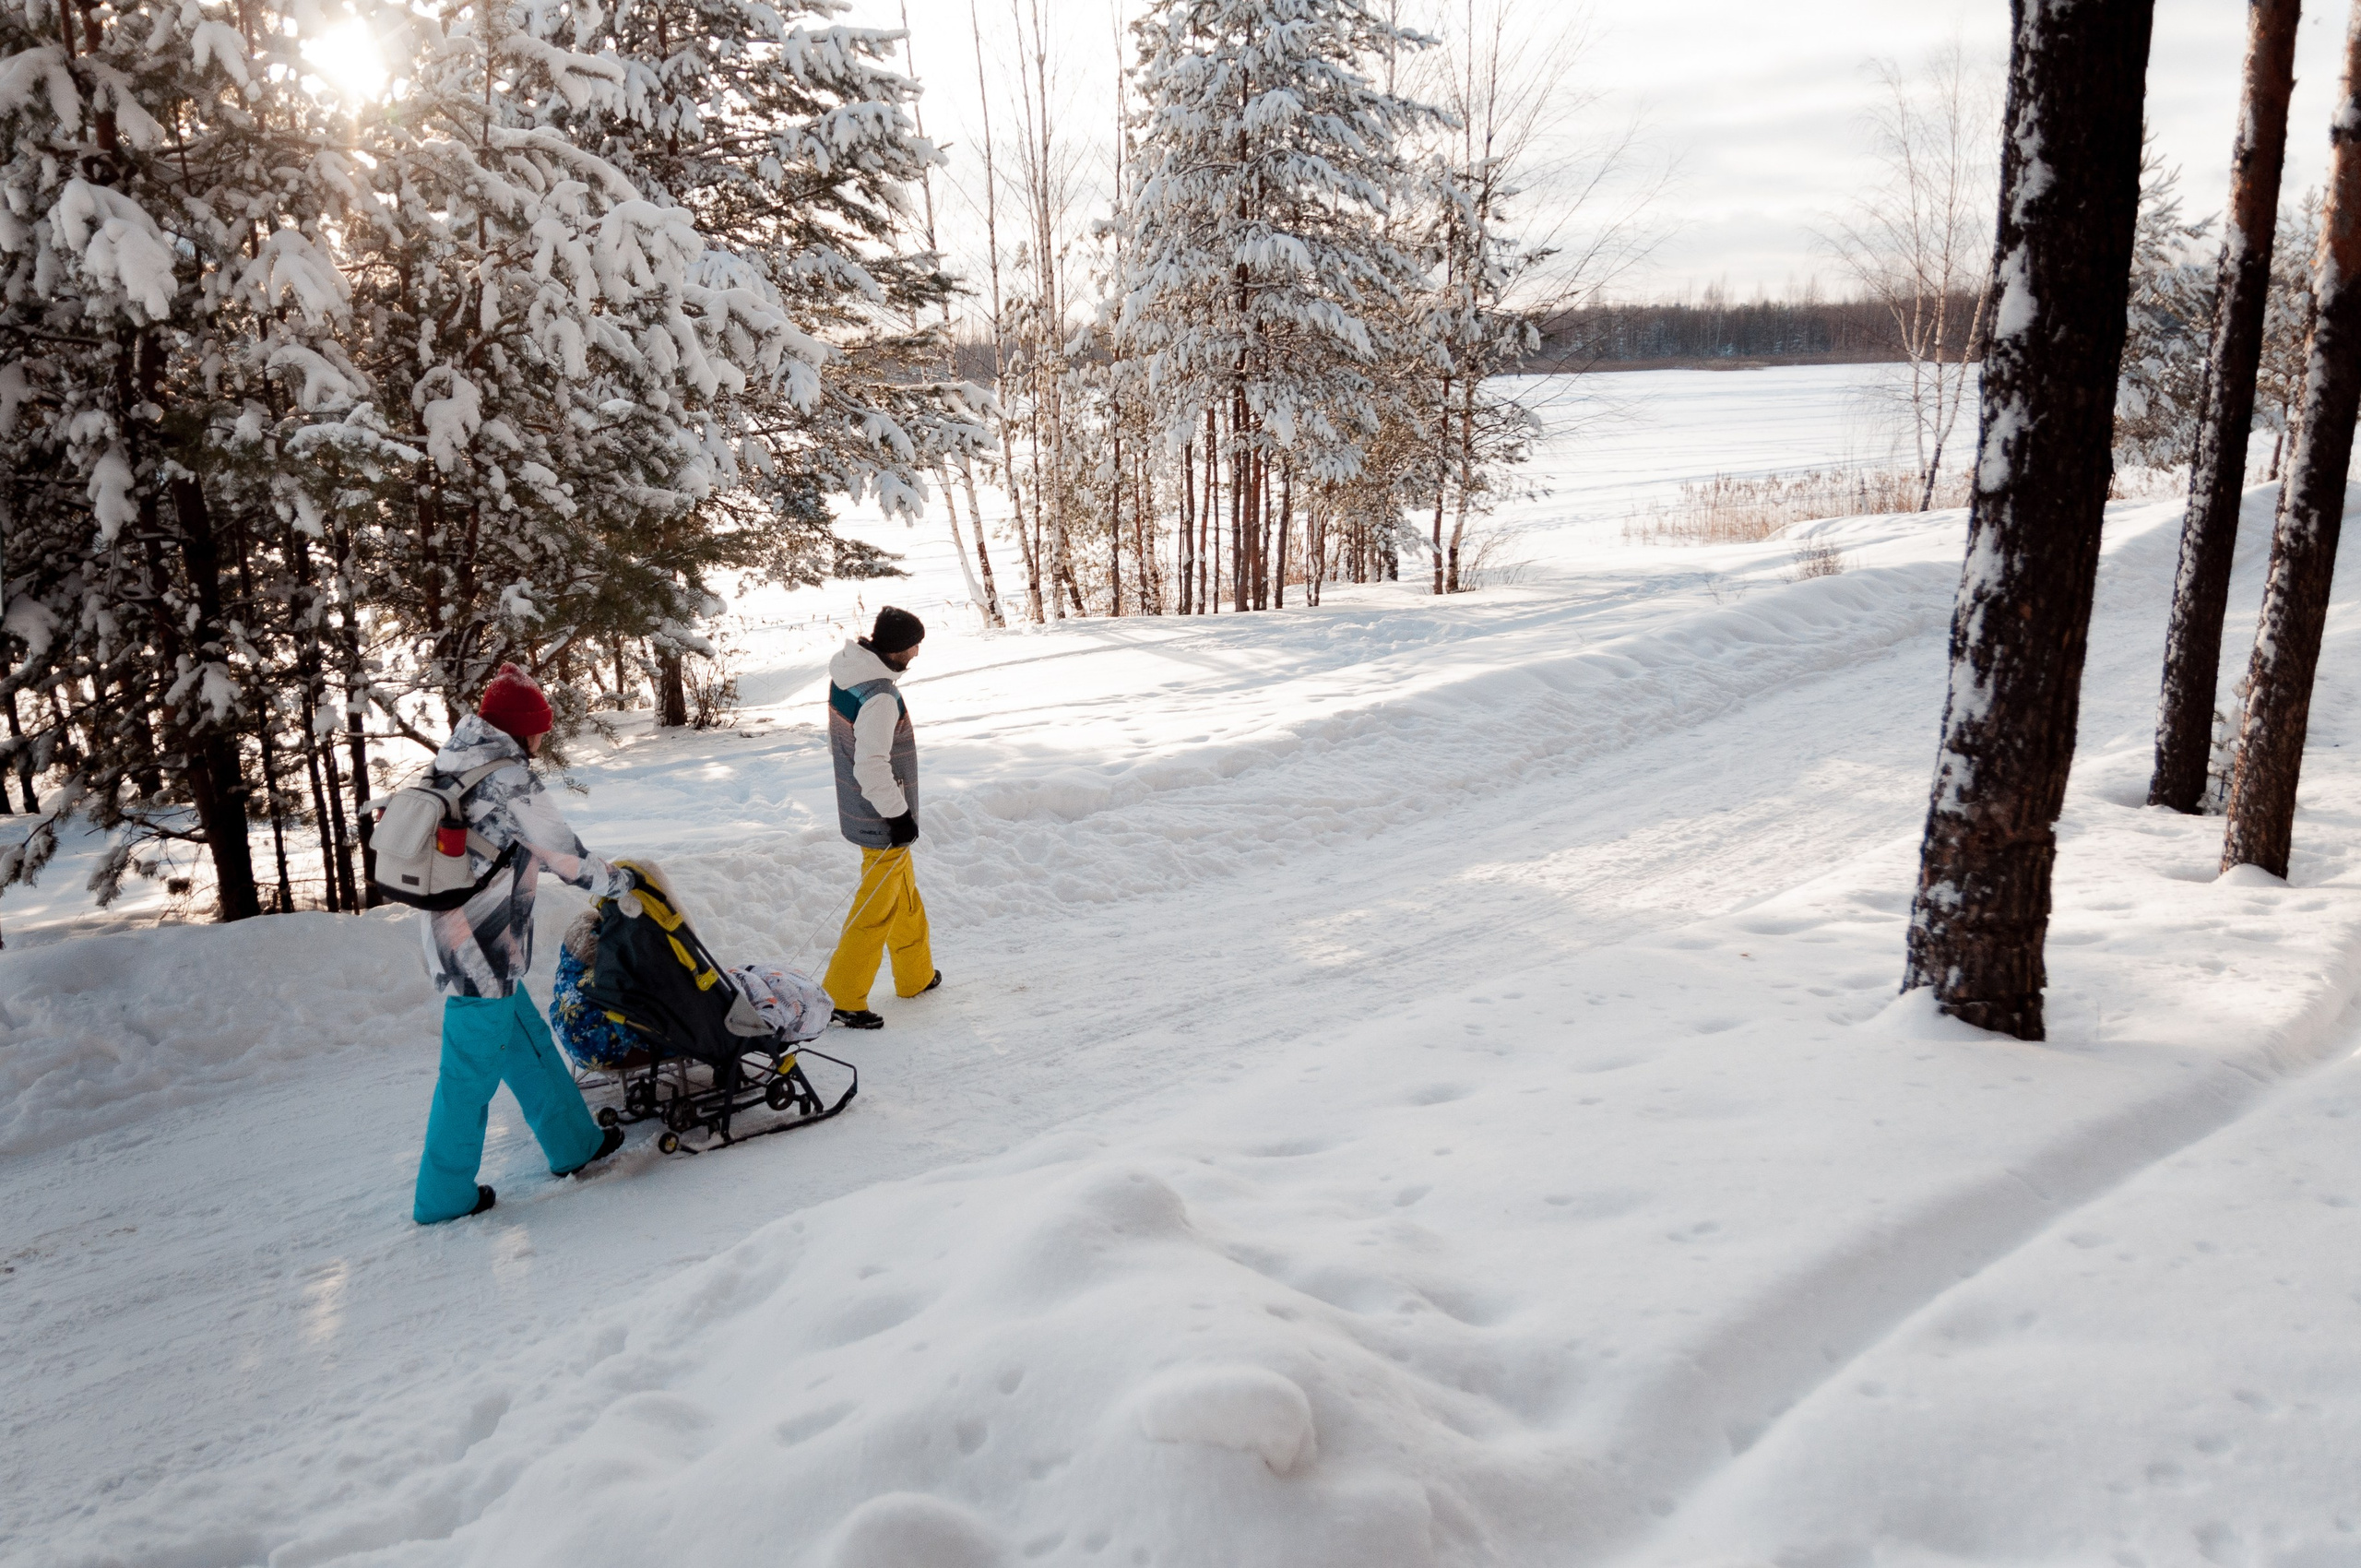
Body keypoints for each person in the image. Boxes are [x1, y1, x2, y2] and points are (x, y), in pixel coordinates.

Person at [411, 663, 628, 1223]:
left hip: (464, 935)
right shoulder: (506, 776)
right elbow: (564, 855)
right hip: (477, 945)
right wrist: (618, 883)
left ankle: (573, 1143)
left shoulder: (455, 758)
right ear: (521, 728)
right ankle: (443, 1196)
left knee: (524, 1037)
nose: (543, 738)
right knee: (467, 1076)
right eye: (540, 728)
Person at [823, 606, 943, 1029]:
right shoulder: (878, 697)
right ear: (896, 648)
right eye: (914, 645)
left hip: (864, 808)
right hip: (879, 815)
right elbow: (870, 766)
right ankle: (842, 995)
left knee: (902, 892)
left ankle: (916, 974)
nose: (916, 653)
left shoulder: (849, 675)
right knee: (874, 910)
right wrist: (898, 815)